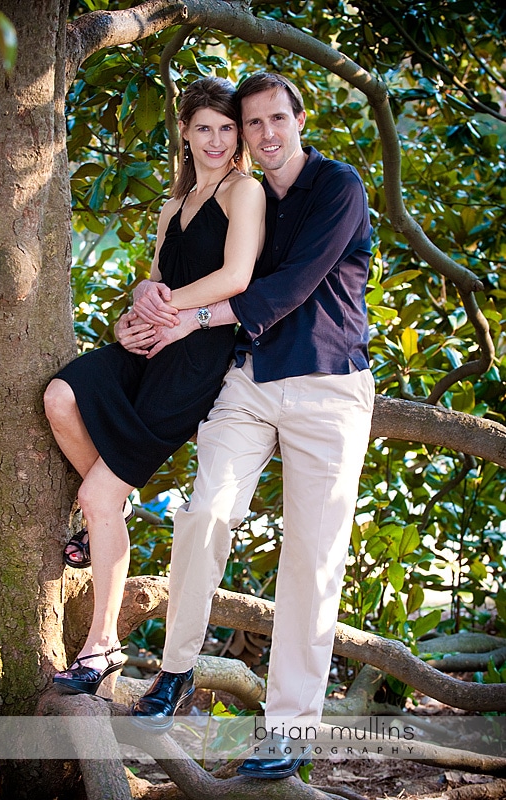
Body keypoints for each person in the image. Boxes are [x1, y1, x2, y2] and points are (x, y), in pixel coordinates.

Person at [126, 72, 375, 780]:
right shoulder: (249, 195)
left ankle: (289, 728)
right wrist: (153, 293)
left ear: (300, 119)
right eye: (251, 123)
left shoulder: (338, 188)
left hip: (327, 389)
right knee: (204, 513)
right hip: (249, 381)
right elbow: (209, 266)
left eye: (276, 119)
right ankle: (174, 674)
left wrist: (186, 319)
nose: (264, 134)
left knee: (312, 559)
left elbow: (285, 288)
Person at [43, 76, 265, 695]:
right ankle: (110, 505)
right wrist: (135, 309)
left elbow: (239, 276)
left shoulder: (243, 191)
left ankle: (103, 645)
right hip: (150, 345)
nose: (217, 141)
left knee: (96, 495)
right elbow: (155, 281)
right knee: (61, 396)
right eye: (204, 129)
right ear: (185, 133)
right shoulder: (174, 205)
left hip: (197, 359)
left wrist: (163, 314)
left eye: (227, 128)